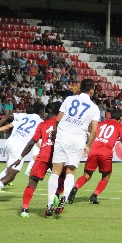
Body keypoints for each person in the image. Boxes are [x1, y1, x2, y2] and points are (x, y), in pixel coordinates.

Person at [46, 79, 100, 217]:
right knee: (70, 172)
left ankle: (50, 203)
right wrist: (88, 145)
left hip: (63, 135)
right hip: (78, 138)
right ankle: (64, 197)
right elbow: (94, 130)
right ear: (92, 90)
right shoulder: (94, 108)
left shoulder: (69, 99)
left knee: (55, 171)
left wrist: (56, 131)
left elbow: (58, 119)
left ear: (80, 89)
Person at [0, 104, 44, 204]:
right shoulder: (41, 122)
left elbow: (7, 117)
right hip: (18, 147)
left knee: (11, 168)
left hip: (9, 142)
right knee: (11, 176)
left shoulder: (23, 116)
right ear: (41, 112)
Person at [10, 102, 66, 218]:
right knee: (65, 178)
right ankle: (56, 194)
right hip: (58, 156)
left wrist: (20, 158)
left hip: (44, 155)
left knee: (32, 182)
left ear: (50, 111)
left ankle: (25, 210)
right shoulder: (64, 124)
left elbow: (32, 142)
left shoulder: (43, 124)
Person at [68, 108, 122, 205]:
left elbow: (93, 133)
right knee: (106, 176)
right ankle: (94, 195)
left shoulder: (101, 124)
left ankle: (75, 187)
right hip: (105, 152)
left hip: (94, 151)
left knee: (86, 175)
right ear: (121, 117)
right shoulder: (120, 126)